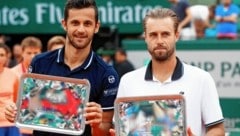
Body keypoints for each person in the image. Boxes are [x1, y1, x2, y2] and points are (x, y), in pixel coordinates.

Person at [5, 0, 119, 136]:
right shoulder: (40, 62)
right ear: (64, 24)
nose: (81, 29)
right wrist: (15, 112)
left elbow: (104, 130)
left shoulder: (107, 75)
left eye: (87, 23)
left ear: (96, 26)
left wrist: (96, 124)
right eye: (75, 23)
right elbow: (28, 111)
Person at [112, 8, 225, 136]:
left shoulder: (202, 78)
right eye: (153, 35)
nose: (159, 41)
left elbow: (218, 129)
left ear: (176, 35)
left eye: (165, 34)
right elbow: (121, 129)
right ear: (145, 37)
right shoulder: (128, 81)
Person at [0, 43, 20, 136]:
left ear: (7, 57)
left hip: (11, 123)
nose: (0, 58)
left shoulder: (12, 75)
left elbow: (17, 98)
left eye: (2, 55)